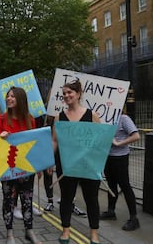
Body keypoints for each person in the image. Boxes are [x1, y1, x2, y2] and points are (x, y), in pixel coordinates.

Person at [52, 80, 101, 244]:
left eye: (69, 93)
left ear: (78, 94)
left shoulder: (92, 115)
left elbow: (99, 139)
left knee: (91, 199)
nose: (66, 96)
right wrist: (49, 162)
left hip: (88, 165)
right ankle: (66, 231)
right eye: (64, 93)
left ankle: (94, 233)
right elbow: (55, 141)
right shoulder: (59, 117)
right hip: (66, 164)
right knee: (66, 197)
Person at [0, 86, 42, 244]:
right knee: (8, 200)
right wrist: (0, 137)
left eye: (13, 96)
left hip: (26, 167)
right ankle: (9, 234)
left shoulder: (30, 119)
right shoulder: (0, 119)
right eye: (8, 96)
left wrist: (39, 166)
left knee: (27, 200)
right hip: (8, 167)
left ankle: (29, 231)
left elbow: (33, 144)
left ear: (20, 99)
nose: (9, 98)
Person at [100, 112, 141, 231]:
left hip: (120, 157)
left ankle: (134, 219)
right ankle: (111, 211)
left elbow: (136, 136)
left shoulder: (123, 118)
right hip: (108, 156)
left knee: (125, 186)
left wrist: (118, 143)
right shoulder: (104, 117)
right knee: (111, 185)